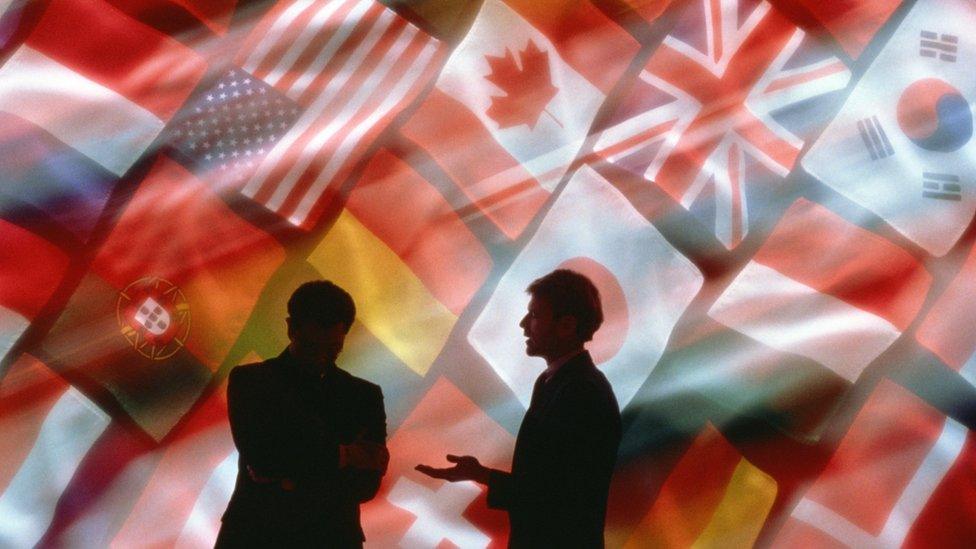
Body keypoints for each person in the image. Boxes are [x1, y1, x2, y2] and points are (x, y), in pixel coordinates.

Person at [417, 269, 622, 548]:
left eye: (535, 315)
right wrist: (480, 474)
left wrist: (483, 475)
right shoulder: (560, 382)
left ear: (567, 325)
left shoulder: (580, 392)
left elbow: (555, 496)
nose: (524, 324)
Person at [216, 281, 389, 548]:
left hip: (275, 533)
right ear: (291, 327)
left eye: (332, 348)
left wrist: (291, 465)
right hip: (275, 536)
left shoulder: (364, 395)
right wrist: (346, 455)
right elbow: (262, 459)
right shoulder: (250, 381)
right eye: (314, 346)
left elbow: (365, 485)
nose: (323, 356)